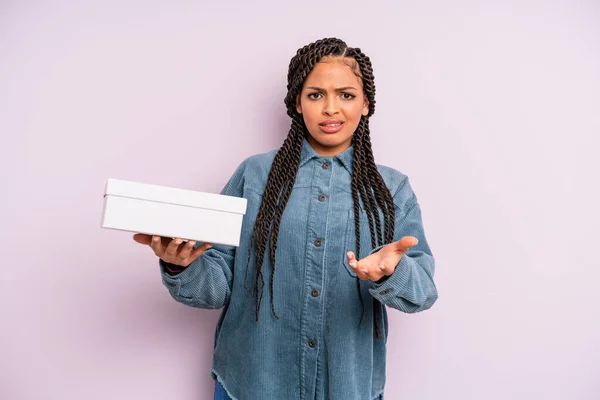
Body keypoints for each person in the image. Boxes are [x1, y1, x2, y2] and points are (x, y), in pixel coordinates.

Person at [134, 37, 438, 400]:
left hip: (347, 388)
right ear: (297, 103)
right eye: (315, 95)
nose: (330, 109)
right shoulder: (254, 175)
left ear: (366, 104)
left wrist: (392, 271)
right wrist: (180, 266)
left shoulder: (392, 188)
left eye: (345, 95)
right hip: (251, 384)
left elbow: (423, 293)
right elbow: (215, 287)